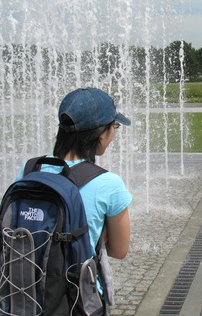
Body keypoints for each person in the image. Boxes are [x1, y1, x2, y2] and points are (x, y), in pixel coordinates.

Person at [15, 87, 133, 292]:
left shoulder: (29, 170)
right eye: (114, 126)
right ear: (101, 134)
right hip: (77, 297)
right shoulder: (109, 183)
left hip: (25, 293)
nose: (114, 132)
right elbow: (119, 250)